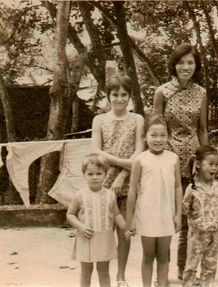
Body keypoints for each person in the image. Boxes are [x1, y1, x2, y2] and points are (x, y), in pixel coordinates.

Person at [153, 43, 208, 279]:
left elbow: (203, 129)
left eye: (191, 62)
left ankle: (185, 269)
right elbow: (155, 128)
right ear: (173, 66)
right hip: (167, 160)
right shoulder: (162, 91)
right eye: (181, 62)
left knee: (190, 220)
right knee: (163, 217)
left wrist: (205, 160)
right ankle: (160, 271)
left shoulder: (201, 92)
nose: (186, 67)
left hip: (194, 162)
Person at [91, 75, 144, 287]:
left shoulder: (137, 119)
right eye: (115, 94)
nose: (119, 99)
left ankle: (121, 276)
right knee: (103, 233)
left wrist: (123, 174)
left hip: (127, 185)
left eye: (124, 94)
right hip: (103, 184)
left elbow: (139, 153)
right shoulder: (99, 120)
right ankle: (104, 278)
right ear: (108, 96)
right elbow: (96, 151)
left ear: (129, 96)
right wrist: (125, 163)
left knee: (125, 232)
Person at [125, 115, 183, 287]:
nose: (158, 139)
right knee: (148, 255)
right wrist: (130, 219)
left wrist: (178, 214)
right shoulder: (140, 160)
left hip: (166, 214)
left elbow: (178, 187)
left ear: (168, 136)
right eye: (153, 135)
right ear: (145, 137)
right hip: (147, 214)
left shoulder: (173, 158)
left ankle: (162, 284)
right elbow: (133, 190)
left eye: (162, 135)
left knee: (164, 256)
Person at [67, 153, 132, 287]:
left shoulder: (110, 195)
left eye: (99, 173)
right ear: (84, 174)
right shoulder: (79, 195)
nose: (95, 177)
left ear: (105, 174)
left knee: (103, 272)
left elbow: (117, 214)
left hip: (104, 239)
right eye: (90, 174)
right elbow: (70, 214)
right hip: (86, 237)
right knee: (86, 272)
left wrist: (126, 227)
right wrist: (80, 227)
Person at [182, 145, 218, 287]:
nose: (214, 168)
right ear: (198, 165)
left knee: (210, 265)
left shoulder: (217, 186)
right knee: (192, 265)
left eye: (216, 164)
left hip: (214, 235)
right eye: (210, 164)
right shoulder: (192, 189)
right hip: (197, 235)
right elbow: (184, 209)